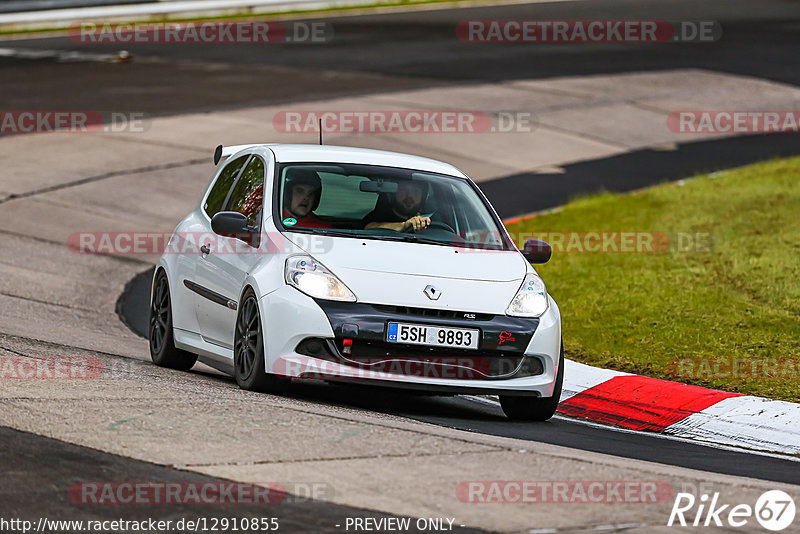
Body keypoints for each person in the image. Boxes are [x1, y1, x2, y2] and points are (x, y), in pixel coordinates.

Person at [362, 180, 431, 232]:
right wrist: (404, 225)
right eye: (403, 190)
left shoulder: (431, 220)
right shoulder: (379, 215)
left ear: (423, 197)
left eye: (415, 191)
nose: (409, 195)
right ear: (393, 194)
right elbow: (369, 227)